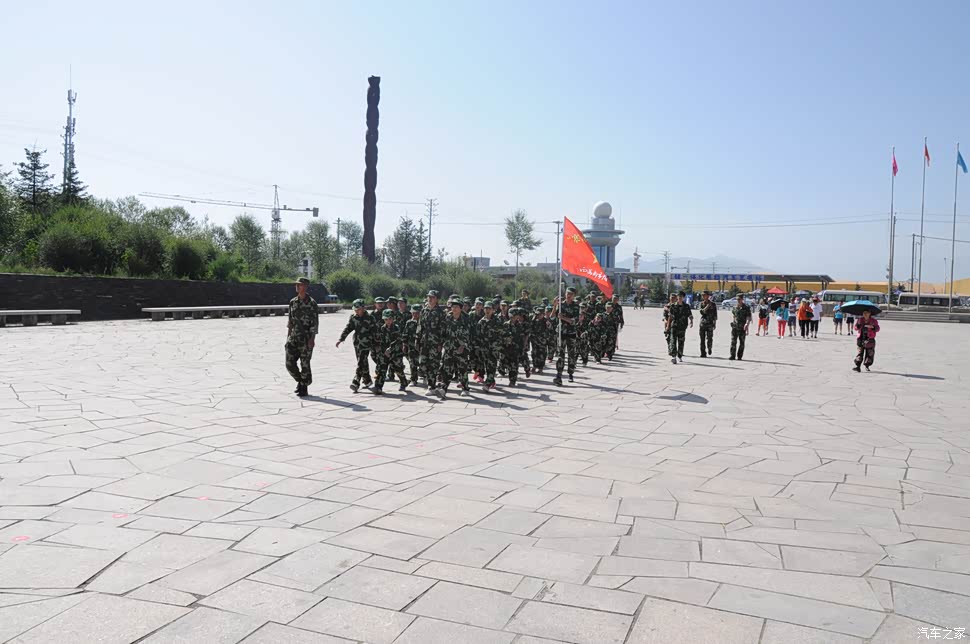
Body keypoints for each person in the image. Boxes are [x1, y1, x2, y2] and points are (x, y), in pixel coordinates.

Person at [431, 297, 472, 398]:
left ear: (461, 308)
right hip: (449, 348)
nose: (454, 309)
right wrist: (440, 344)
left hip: (461, 349)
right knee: (447, 370)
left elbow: (469, 334)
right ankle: (443, 389)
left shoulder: (466, 319)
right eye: (453, 306)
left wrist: (463, 345)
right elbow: (443, 332)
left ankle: (465, 389)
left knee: (462, 370)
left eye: (456, 307)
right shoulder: (447, 318)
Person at [285, 277, 319, 397]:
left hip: (306, 339)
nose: (297, 286)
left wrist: (312, 339)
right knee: (289, 364)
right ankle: (301, 381)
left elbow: (315, 323)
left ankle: (304, 387)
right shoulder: (292, 302)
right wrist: (287, 338)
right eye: (297, 285)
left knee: (305, 364)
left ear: (305, 287)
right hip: (293, 338)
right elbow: (290, 322)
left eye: (299, 285)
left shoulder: (312, 303)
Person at [336, 298, 378, 392]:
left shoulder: (370, 318)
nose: (356, 311)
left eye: (358, 309)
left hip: (366, 343)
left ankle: (356, 381)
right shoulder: (353, 317)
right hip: (357, 343)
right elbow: (348, 328)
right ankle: (367, 380)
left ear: (363, 308)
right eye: (355, 309)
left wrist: (376, 344)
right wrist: (341, 339)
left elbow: (375, 332)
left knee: (361, 362)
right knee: (363, 362)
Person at [374, 309, 408, 394]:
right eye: (386, 319)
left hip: (396, 353)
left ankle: (404, 382)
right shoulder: (382, 328)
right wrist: (379, 348)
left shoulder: (396, 328)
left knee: (398, 370)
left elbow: (398, 340)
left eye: (390, 319)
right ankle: (378, 387)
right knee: (382, 370)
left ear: (393, 319)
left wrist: (390, 348)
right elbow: (379, 340)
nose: (388, 321)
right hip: (384, 353)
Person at [416, 290, 446, 386]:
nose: (430, 299)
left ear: (437, 299)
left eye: (432, 297)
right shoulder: (424, 311)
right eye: (429, 297)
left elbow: (443, 329)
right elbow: (420, 326)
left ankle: (431, 385)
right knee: (423, 363)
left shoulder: (440, 312)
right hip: (424, 341)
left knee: (433, 364)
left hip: (435, 343)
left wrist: (440, 343)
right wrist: (417, 339)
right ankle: (426, 377)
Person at [554, 287, 581, 385]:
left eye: (571, 294)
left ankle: (570, 373)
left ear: (574, 296)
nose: (568, 295)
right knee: (560, 355)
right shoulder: (561, 305)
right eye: (567, 293)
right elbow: (554, 316)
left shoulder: (576, 306)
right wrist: (554, 306)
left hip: (571, 334)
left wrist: (563, 318)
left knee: (571, 355)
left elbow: (574, 321)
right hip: (561, 333)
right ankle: (559, 375)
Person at [477, 301, 502, 391]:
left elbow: (501, 334)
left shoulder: (497, 321)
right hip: (484, 348)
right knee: (487, 366)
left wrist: (497, 346)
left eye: (489, 309)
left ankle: (487, 384)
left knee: (492, 365)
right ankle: (492, 380)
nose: (487, 310)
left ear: (493, 310)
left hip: (494, 348)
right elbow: (478, 336)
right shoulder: (481, 322)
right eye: (486, 308)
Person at [665, 291, 693, 364]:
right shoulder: (673, 306)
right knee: (673, 341)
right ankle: (673, 357)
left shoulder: (686, 306)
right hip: (674, 326)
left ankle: (679, 355)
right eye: (678, 296)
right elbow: (670, 317)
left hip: (682, 327)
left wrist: (691, 321)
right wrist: (668, 326)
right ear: (677, 297)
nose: (680, 298)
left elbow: (690, 315)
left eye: (681, 296)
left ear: (683, 298)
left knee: (681, 342)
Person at [403, 304, 421, 385]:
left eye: (417, 313)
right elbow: (405, 334)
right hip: (411, 346)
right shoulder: (409, 322)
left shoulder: (423, 322)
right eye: (413, 313)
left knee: (422, 363)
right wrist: (404, 345)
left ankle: (425, 376)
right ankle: (413, 379)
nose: (415, 315)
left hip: (421, 346)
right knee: (412, 363)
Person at [698, 290, 717, 357]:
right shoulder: (701, 304)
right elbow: (701, 312)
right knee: (702, 339)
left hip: (710, 324)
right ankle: (703, 353)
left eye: (704, 295)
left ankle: (709, 348)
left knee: (709, 338)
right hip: (703, 323)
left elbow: (715, 315)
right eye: (702, 295)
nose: (703, 296)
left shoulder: (713, 304)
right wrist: (707, 306)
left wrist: (715, 323)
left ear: (708, 296)